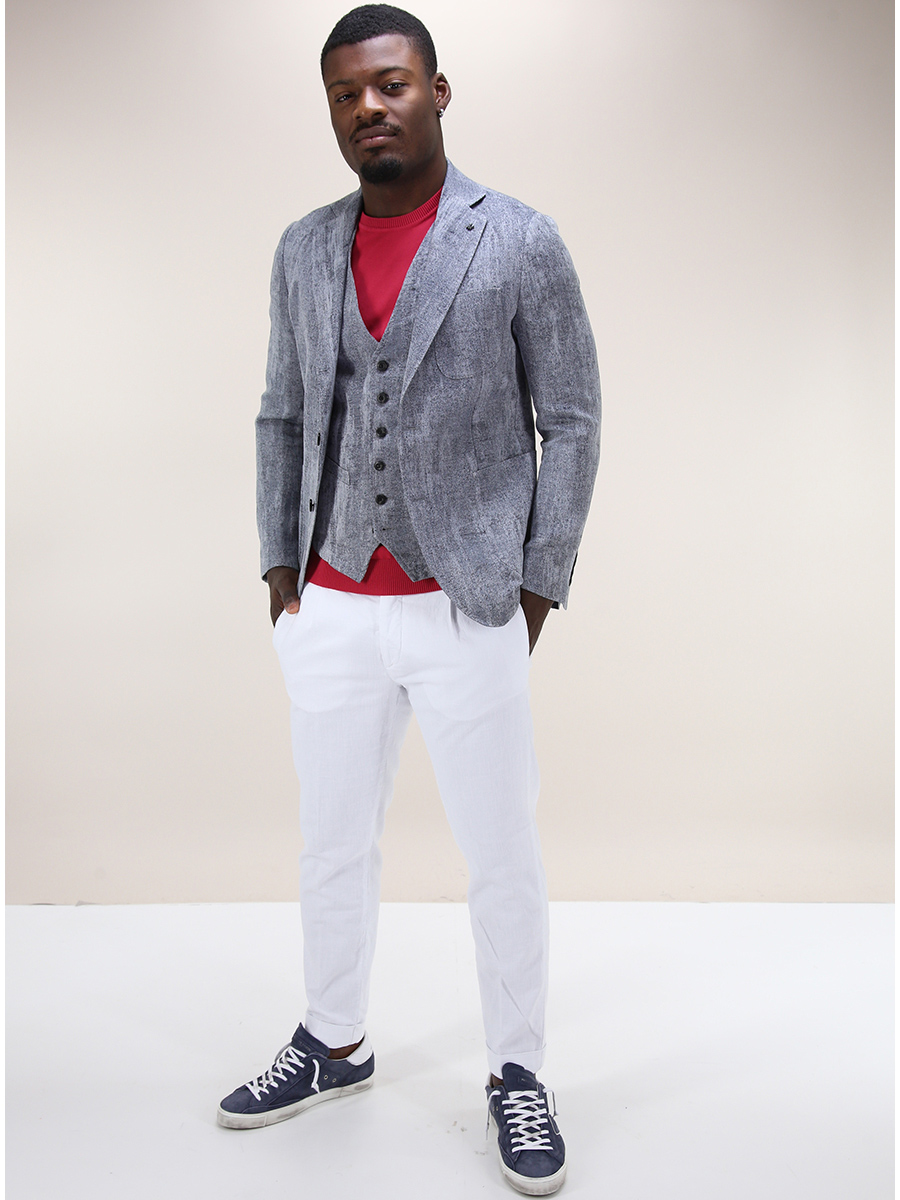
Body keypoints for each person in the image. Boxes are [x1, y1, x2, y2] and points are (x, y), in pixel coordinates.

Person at [218, 6, 601, 1194]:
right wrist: (280, 572)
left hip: (466, 602)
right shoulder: (302, 247)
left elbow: (573, 420)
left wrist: (536, 584)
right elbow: (282, 410)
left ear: (437, 90)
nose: (367, 108)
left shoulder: (520, 239)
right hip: (330, 601)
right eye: (346, 94)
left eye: (389, 85)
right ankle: (335, 1041)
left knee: (501, 852)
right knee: (332, 844)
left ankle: (518, 1072)